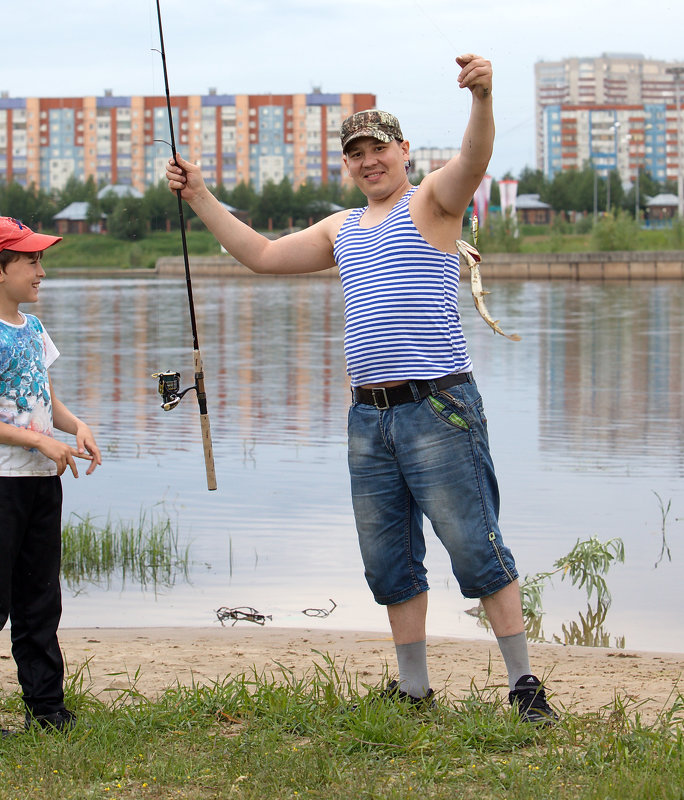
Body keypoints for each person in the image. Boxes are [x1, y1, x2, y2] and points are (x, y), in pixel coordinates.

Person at [165, 54, 556, 724]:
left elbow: (473, 157)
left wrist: (484, 97)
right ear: (347, 164)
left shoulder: (432, 201)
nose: (369, 160)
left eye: (379, 148)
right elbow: (259, 256)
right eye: (356, 153)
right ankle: (413, 690)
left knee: (475, 545)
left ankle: (524, 684)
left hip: (438, 405)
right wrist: (199, 195)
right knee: (389, 558)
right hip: (368, 418)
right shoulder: (341, 229)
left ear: (404, 151)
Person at [0, 217, 102, 740]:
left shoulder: (32, 330)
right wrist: (38, 441)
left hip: (41, 483)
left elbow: (42, 399)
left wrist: (75, 426)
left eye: (40, 259)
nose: (41, 270)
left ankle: (46, 707)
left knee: (41, 599)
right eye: (31, 260)